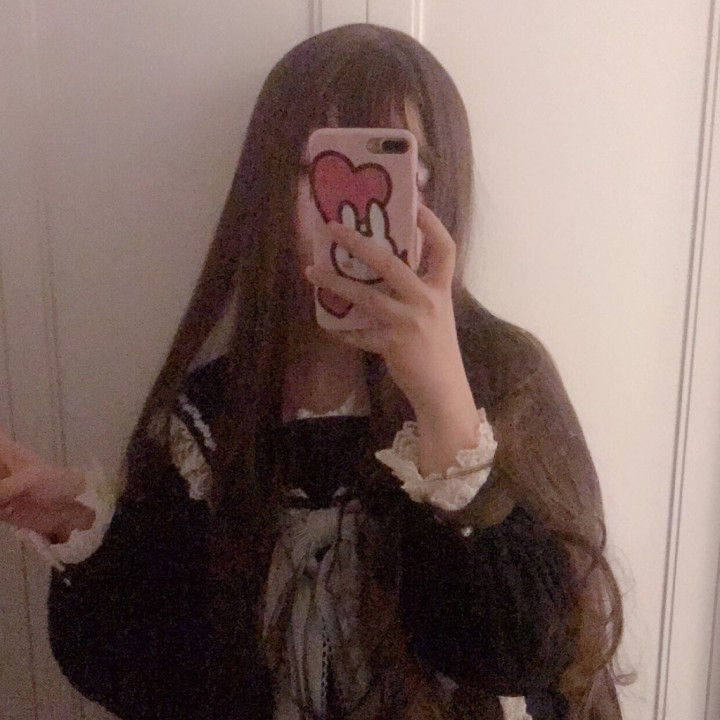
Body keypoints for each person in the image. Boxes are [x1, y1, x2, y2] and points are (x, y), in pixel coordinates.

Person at [0, 23, 627, 720]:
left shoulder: (504, 379)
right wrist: (80, 529)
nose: (356, 214)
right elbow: (144, 677)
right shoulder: (214, 414)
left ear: (440, 189)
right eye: (322, 171)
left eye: (401, 170)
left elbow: (532, 652)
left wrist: (445, 409)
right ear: (270, 191)